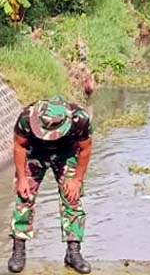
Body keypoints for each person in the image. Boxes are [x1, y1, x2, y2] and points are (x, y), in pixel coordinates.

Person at [7, 96, 93, 274]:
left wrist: (77, 179)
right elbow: (19, 146)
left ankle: (73, 253)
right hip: (34, 152)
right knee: (24, 196)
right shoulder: (27, 117)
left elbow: (85, 149)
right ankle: (18, 251)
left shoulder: (80, 119)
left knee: (72, 198)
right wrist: (22, 178)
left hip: (66, 154)